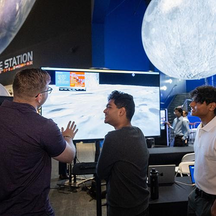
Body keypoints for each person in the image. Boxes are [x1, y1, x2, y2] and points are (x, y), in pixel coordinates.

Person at [0, 68, 78, 216]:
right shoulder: (44, 126)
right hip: (32, 210)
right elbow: (68, 156)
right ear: (39, 96)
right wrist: (68, 137)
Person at [96, 90, 149, 216]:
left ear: (121, 111)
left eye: (109, 107)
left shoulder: (113, 137)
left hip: (123, 209)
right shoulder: (138, 132)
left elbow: (101, 172)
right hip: (142, 204)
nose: (105, 111)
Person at [187, 85, 216, 216]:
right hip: (196, 194)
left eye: (197, 101)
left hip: (211, 201)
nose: (191, 104)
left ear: (211, 106)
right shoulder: (200, 127)